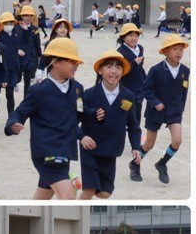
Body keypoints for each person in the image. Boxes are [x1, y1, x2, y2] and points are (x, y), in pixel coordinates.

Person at [5, 37, 90, 200]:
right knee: (67, 198)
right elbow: (20, 112)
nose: (76, 65)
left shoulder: (77, 89)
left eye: (77, 62)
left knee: (41, 200)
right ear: (55, 62)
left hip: (65, 151)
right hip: (46, 153)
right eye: (71, 61)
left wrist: (94, 120)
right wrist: (13, 124)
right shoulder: (39, 90)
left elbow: (79, 117)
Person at [79, 49, 141, 200]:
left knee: (105, 193)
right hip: (90, 149)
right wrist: (82, 137)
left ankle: (76, 185)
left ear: (123, 72)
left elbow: (133, 125)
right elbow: (74, 119)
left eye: (118, 67)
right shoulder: (88, 94)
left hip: (111, 150)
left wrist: (136, 147)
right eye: (109, 66)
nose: (114, 71)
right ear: (100, 70)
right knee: (89, 189)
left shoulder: (127, 96)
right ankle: (77, 205)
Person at [140, 34, 189, 184]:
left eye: (181, 49)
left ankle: (162, 164)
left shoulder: (185, 71)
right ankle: (135, 164)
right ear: (165, 51)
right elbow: (146, 89)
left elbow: (184, 91)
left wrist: (180, 108)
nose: (179, 52)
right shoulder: (156, 70)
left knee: (177, 140)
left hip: (174, 112)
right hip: (155, 112)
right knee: (149, 144)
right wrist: (155, 102)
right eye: (175, 49)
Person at [117, 23, 146, 130]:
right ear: (123, 37)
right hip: (126, 87)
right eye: (130, 35)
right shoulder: (120, 52)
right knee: (125, 110)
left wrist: (146, 79)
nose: (134, 38)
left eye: (136, 35)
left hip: (139, 87)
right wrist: (133, 63)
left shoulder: (140, 48)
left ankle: (135, 131)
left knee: (137, 110)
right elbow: (121, 71)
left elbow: (140, 68)